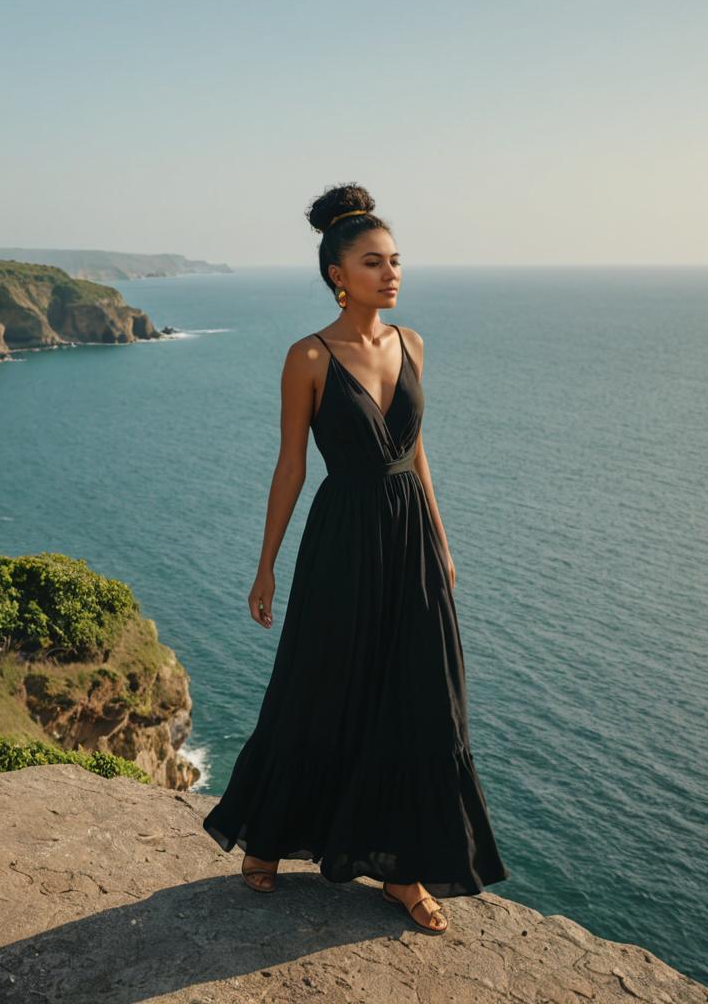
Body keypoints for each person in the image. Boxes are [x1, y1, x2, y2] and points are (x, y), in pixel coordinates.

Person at [201, 182, 510, 934]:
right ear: (339, 274)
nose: (392, 273)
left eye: (396, 260)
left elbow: (416, 452)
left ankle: (402, 871)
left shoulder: (413, 345)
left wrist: (441, 541)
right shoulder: (307, 356)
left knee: (420, 702)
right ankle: (269, 835)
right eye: (375, 262)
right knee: (318, 684)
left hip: (410, 541)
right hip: (342, 537)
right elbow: (290, 467)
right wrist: (266, 564)